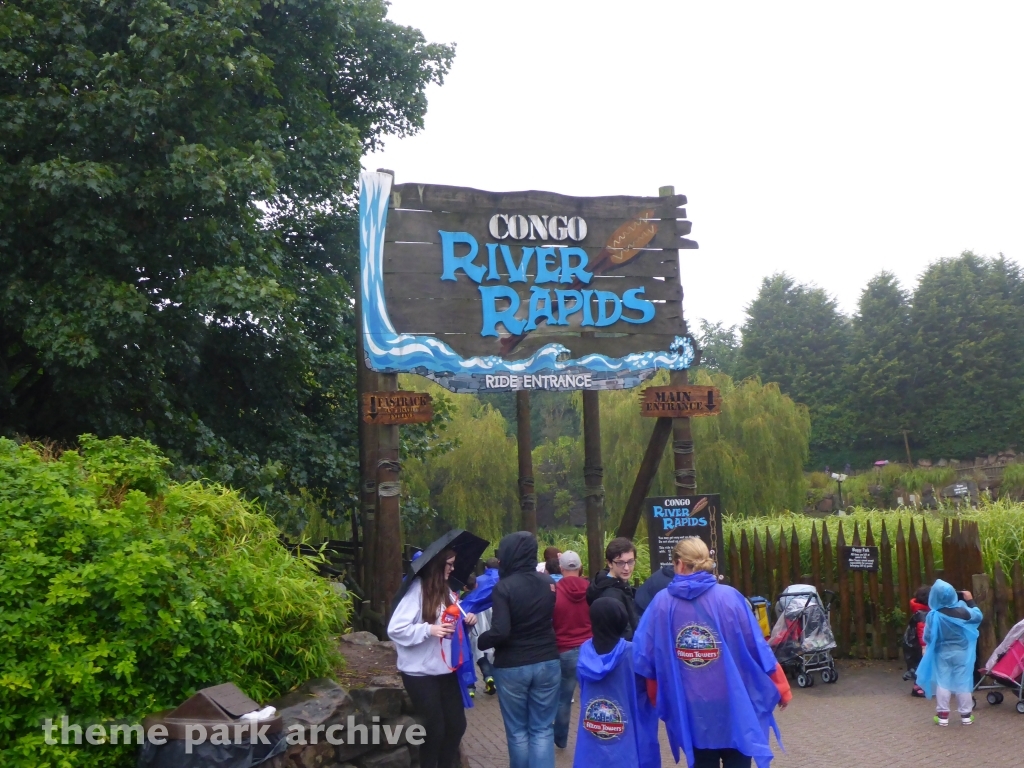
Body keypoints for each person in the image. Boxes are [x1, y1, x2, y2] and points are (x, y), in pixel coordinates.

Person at [633, 537, 790, 768]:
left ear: (678, 564)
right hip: (733, 702)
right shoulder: (730, 598)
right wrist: (781, 687)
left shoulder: (661, 604)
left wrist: (657, 696)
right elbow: (756, 647)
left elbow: (647, 656)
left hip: (692, 708)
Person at [388, 549, 478, 768]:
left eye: (454, 563)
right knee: (434, 729)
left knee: (456, 726)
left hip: (445, 670)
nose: (453, 568)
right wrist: (429, 630)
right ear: (436, 565)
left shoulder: (448, 593)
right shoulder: (417, 591)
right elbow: (396, 629)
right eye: (449, 564)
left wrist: (468, 621)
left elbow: (452, 624)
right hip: (419, 673)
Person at [478, 532, 560, 768]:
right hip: (547, 660)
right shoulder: (549, 583)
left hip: (513, 664)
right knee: (543, 729)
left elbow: (500, 631)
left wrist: (481, 641)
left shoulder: (504, 588)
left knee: (518, 732)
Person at [572, 598, 660, 768]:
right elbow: (650, 690)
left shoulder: (585, 651)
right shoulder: (633, 652)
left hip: (594, 736)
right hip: (627, 742)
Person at [914, 579, 982, 726]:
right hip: (962, 653)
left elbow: (927, 636)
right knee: (963, 682)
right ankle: (966, 715)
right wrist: (970, 601)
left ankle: (943, 715)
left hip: (942, 653)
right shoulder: (963, 612)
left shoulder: (933, 615)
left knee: (943, 683)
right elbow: (978, 616)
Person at [552, 550, 593, 749]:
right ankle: (593, 734)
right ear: (580, 567)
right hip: (588, 648)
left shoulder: (554, 591)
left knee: (564, 698)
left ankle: (560, 738)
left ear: (561, 568)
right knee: (591, 695)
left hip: (564, 649)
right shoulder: (590, 589)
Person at [586, 537, 640, 639]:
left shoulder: (617, 584)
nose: (627, 568)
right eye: (620, 563)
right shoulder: (611, 595)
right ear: (609, 563)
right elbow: (624, 633)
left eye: (630, 562)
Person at [463, 556, 500, 695]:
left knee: (475, 657)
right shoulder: (496, 585)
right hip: (488, 628)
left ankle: (471, 687)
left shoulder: (466, 600)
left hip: (473, 631)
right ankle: (490, 678)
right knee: (488, 655)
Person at [903, 585, 930, 697]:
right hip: (917, 644)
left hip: (913, 643)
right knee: (921, 664)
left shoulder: (920, 611)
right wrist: (924, 646)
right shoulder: (922, 614)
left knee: (920, 664)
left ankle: (920, 685)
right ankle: (917, 687)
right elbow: (922, 629)